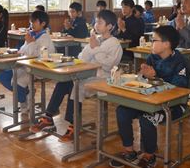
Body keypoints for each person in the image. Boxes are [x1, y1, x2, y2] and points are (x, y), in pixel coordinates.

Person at [30, 10, 122, 141]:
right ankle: (48, 116)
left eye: (100, 22)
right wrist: (92, 47)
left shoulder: (114, 44)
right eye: (96, 22)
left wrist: (94, 49)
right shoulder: (96, 39)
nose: (96, 24)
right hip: (87, 74)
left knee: (78, 87)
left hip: (103, 79)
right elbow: (81, 57)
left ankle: (74, 125)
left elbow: (109, 65)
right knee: (64, 82)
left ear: (110, 26)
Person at [109, 26, 189, 168]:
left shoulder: (179, 61)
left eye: (154, 40)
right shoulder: (153, 57)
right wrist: (143, 76)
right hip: (150, 101)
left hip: (173, 106)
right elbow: (144, 81)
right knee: (122, 111)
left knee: (147, 117)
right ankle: (129, 151)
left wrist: (154, 77)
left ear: (166, 44)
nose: (150, 43)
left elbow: (179, 89)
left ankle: (149, 155)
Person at [0, 10, 55, 112]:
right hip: (25, 65)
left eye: (34, 22)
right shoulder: (32, 34)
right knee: (4, 77)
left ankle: (24, 98)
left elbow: (38, 56)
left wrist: (31, 43)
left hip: (39, 68)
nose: (31, 24)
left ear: (43, 24)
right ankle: (26, 94)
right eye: (31, 22)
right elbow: (23, 51)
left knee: (17, 81)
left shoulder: (45, 37)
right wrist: (17, 52)